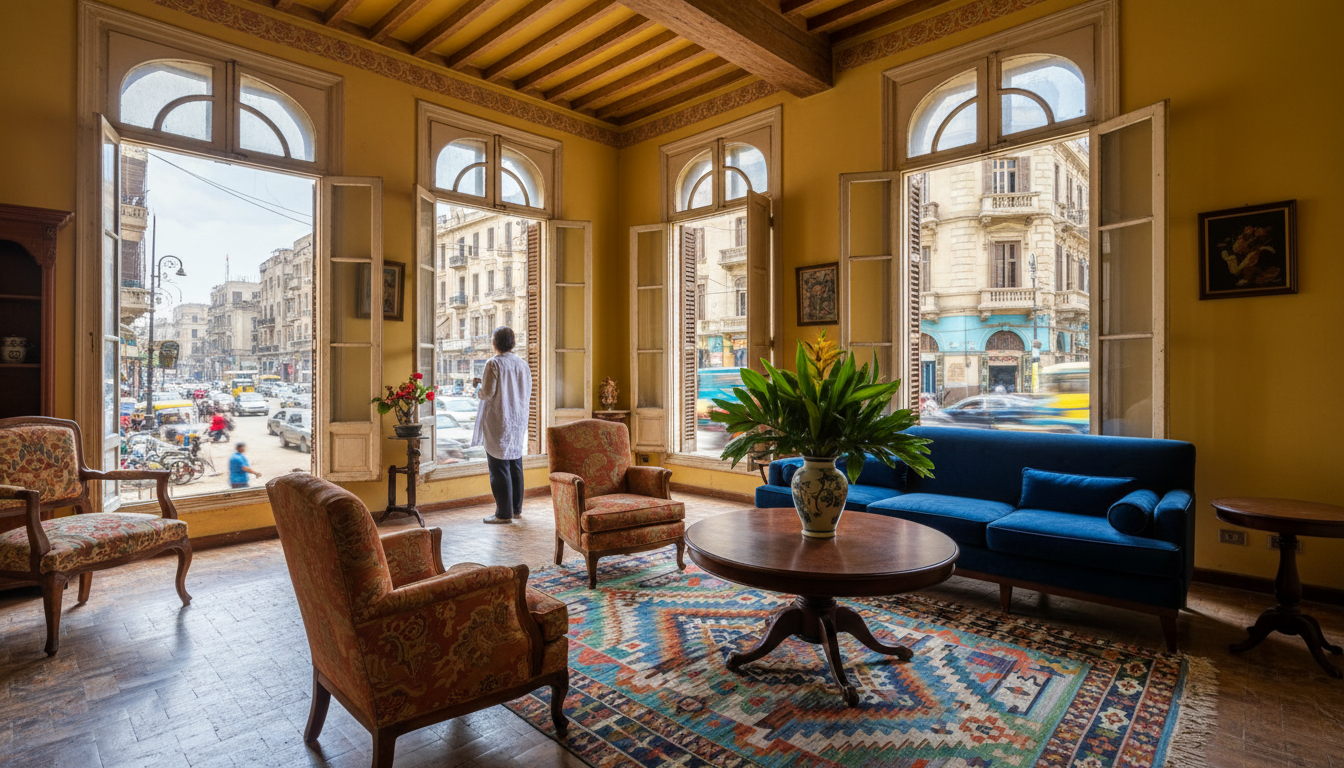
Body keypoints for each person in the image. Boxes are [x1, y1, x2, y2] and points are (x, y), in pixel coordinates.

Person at [471, 326, 532, 525]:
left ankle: (503, 514)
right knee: (515, 463)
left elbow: (487, 394)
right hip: (517, 418)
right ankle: (516, 509)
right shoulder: (522, 364)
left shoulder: (494, 363)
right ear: (513, 343)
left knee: (498, 467)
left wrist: (478, 386)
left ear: (495, 343)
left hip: (500, 419)